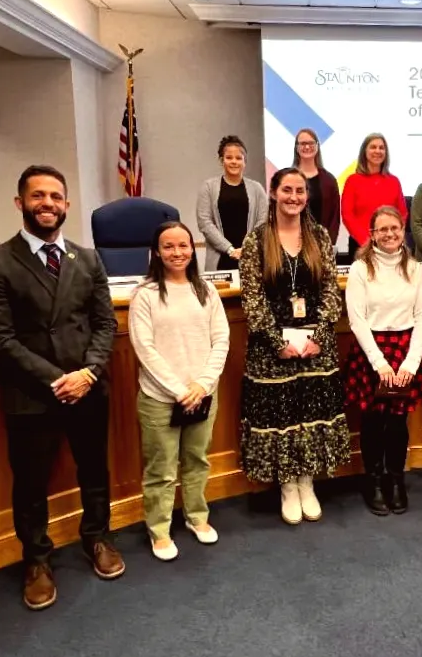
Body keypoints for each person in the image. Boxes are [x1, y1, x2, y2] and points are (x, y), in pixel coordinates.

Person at [0, 165, 123, 611]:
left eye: (56, 197)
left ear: (67, 205)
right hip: (33, 393)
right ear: (20, 203)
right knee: (31, 482)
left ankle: (97, 537)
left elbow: (105, 323)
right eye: (38, 196)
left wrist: (89, 373)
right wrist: (57, 380)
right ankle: (36, 559)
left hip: (88, 387)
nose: (48, 204)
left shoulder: (88, 259)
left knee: (94, 471)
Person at [239, 167, 350, 524]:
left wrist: (318, 337)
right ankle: (287, 485)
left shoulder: (318, 235)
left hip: (316, 346)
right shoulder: (257, 240)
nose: (294, 197)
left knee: (310, 413)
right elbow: (253, 301)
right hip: (272, 350)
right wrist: (276, 342)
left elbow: (332, 290)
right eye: (287, 190)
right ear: (273, 193)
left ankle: (307, 482)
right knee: (282, 415)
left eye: (300, 191)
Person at [129, 221, 230, 562]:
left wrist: (202, 384)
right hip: (161, 399)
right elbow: (144, 348)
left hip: (203, 394)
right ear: (156, 252)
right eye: (168, 247)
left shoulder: (206, 291)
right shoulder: (145, 295)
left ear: (193, 248)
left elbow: (222, 340)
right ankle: (158, 528)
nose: (177, 252)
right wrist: (178, 390)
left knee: (197, 460)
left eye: (184, 245)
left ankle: (197, 517)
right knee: (162, 468)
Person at [344, 206, 422, 515]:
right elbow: (357, 320)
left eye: (395, 228)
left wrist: (409, 364)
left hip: (405, 350)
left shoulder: (414, 268)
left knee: (397, 421)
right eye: (383, 229)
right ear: (372, 235)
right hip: (373, 352)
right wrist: (379, 363)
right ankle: (374, 480)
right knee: (372, 421)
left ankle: (396, 479)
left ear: (402, 229)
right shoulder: (359, 269)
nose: (390, 234)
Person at [196, 135, 268, 271]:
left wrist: (246, 248)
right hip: (219, 259)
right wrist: (229, 249)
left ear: (245, 162)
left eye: (238, 158)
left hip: (251, 257)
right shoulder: (208, 187)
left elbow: (263, 222)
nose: (234, 162)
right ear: (221, 160)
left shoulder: (257, 188)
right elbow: (204, 222)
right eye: (229, 158)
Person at [341, 133, 407, 259]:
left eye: (381, 148)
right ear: (364, 151)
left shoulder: (394, 181)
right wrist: (367, 242)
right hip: (361, 246)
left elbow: (402, 214)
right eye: (373, 147)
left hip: (390, 245)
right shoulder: (352, 181)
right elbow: (347, 215)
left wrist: (392, 238)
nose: (377, 151)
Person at [293, 127, 340, 244]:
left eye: (311, 143)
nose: (307, 147)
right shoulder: (288, 178)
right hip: (292, 243)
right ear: (296, 148)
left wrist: (328, 244)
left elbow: (335, 218)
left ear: (317, 146)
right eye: (303, 143)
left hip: (322, 245)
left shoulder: (329, 181)